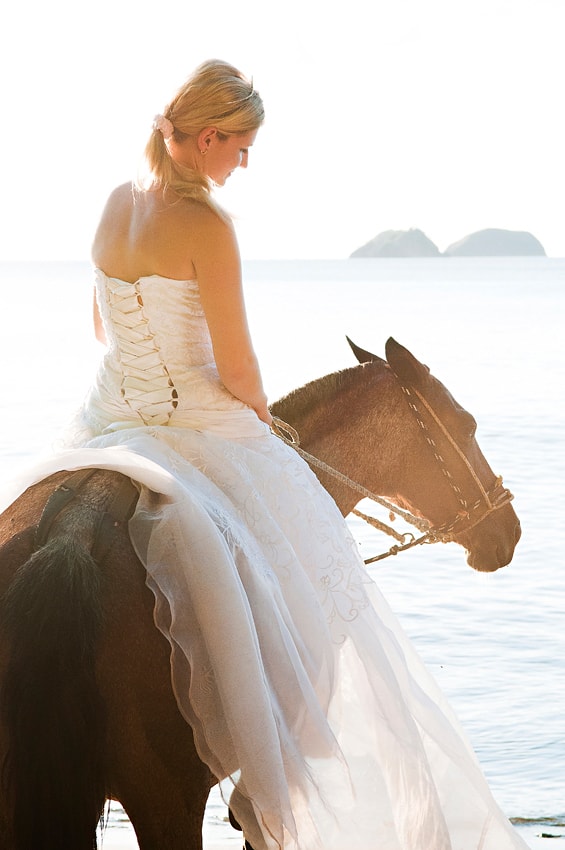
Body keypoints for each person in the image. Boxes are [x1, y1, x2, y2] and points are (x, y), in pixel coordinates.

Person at [22, 60, 529, 849]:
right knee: (306, 563)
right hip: (192, 420)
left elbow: (101, 328)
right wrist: (260, 418)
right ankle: (267, 786)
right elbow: (239, 372)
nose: (244, 164)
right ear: (210, 136)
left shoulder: (116, 203)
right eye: (242, 146)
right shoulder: (208, 225)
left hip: (111, 413)